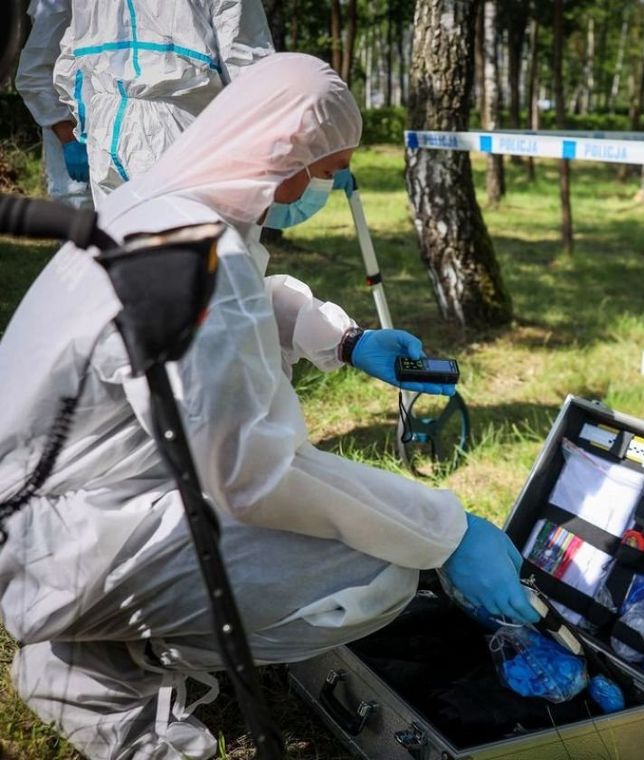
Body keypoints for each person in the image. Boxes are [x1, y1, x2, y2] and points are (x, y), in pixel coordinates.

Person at [0, 53, 539, 759]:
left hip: (48, 508)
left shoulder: (159, 209)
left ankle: (89, 648)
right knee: (380, 572)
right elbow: (255, 476)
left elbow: (248, 296)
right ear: (280, 153)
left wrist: (345, 341)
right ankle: (100, 659)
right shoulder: (192, 256)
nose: (319, 191)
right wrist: (445, 531)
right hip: (59, 541)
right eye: (322, 173)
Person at [52, 0, 276, 204]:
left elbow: (70, 63)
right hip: (182, 122)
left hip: (106, 127)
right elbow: (246, 62)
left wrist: (87, 126)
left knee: (120, 240)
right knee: (197, 240)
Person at [15, 0, 91, 208]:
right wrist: (70, 141)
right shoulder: (58, 5)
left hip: (116, 144)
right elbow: (33, 75)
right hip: (76, 152)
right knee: (80, 225)